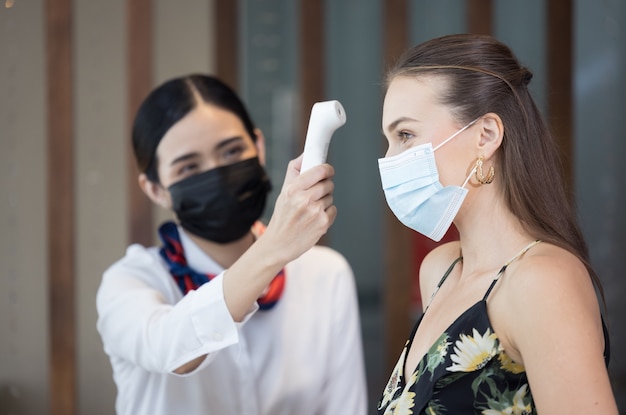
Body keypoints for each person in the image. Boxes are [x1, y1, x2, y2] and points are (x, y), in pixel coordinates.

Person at [96, 74, 367, 415]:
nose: (217, 173)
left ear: (258, 146)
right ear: (155, 189)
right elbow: (169, 349)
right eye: (189, 167)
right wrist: (275, 249)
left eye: (231, 151)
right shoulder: (129, 283)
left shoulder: (324, 274)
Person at [376, 34, 618, 414]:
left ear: (486, 135)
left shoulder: (541, 281)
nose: (390, 159)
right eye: (389, 140)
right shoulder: (440, 271)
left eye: (405, 134)